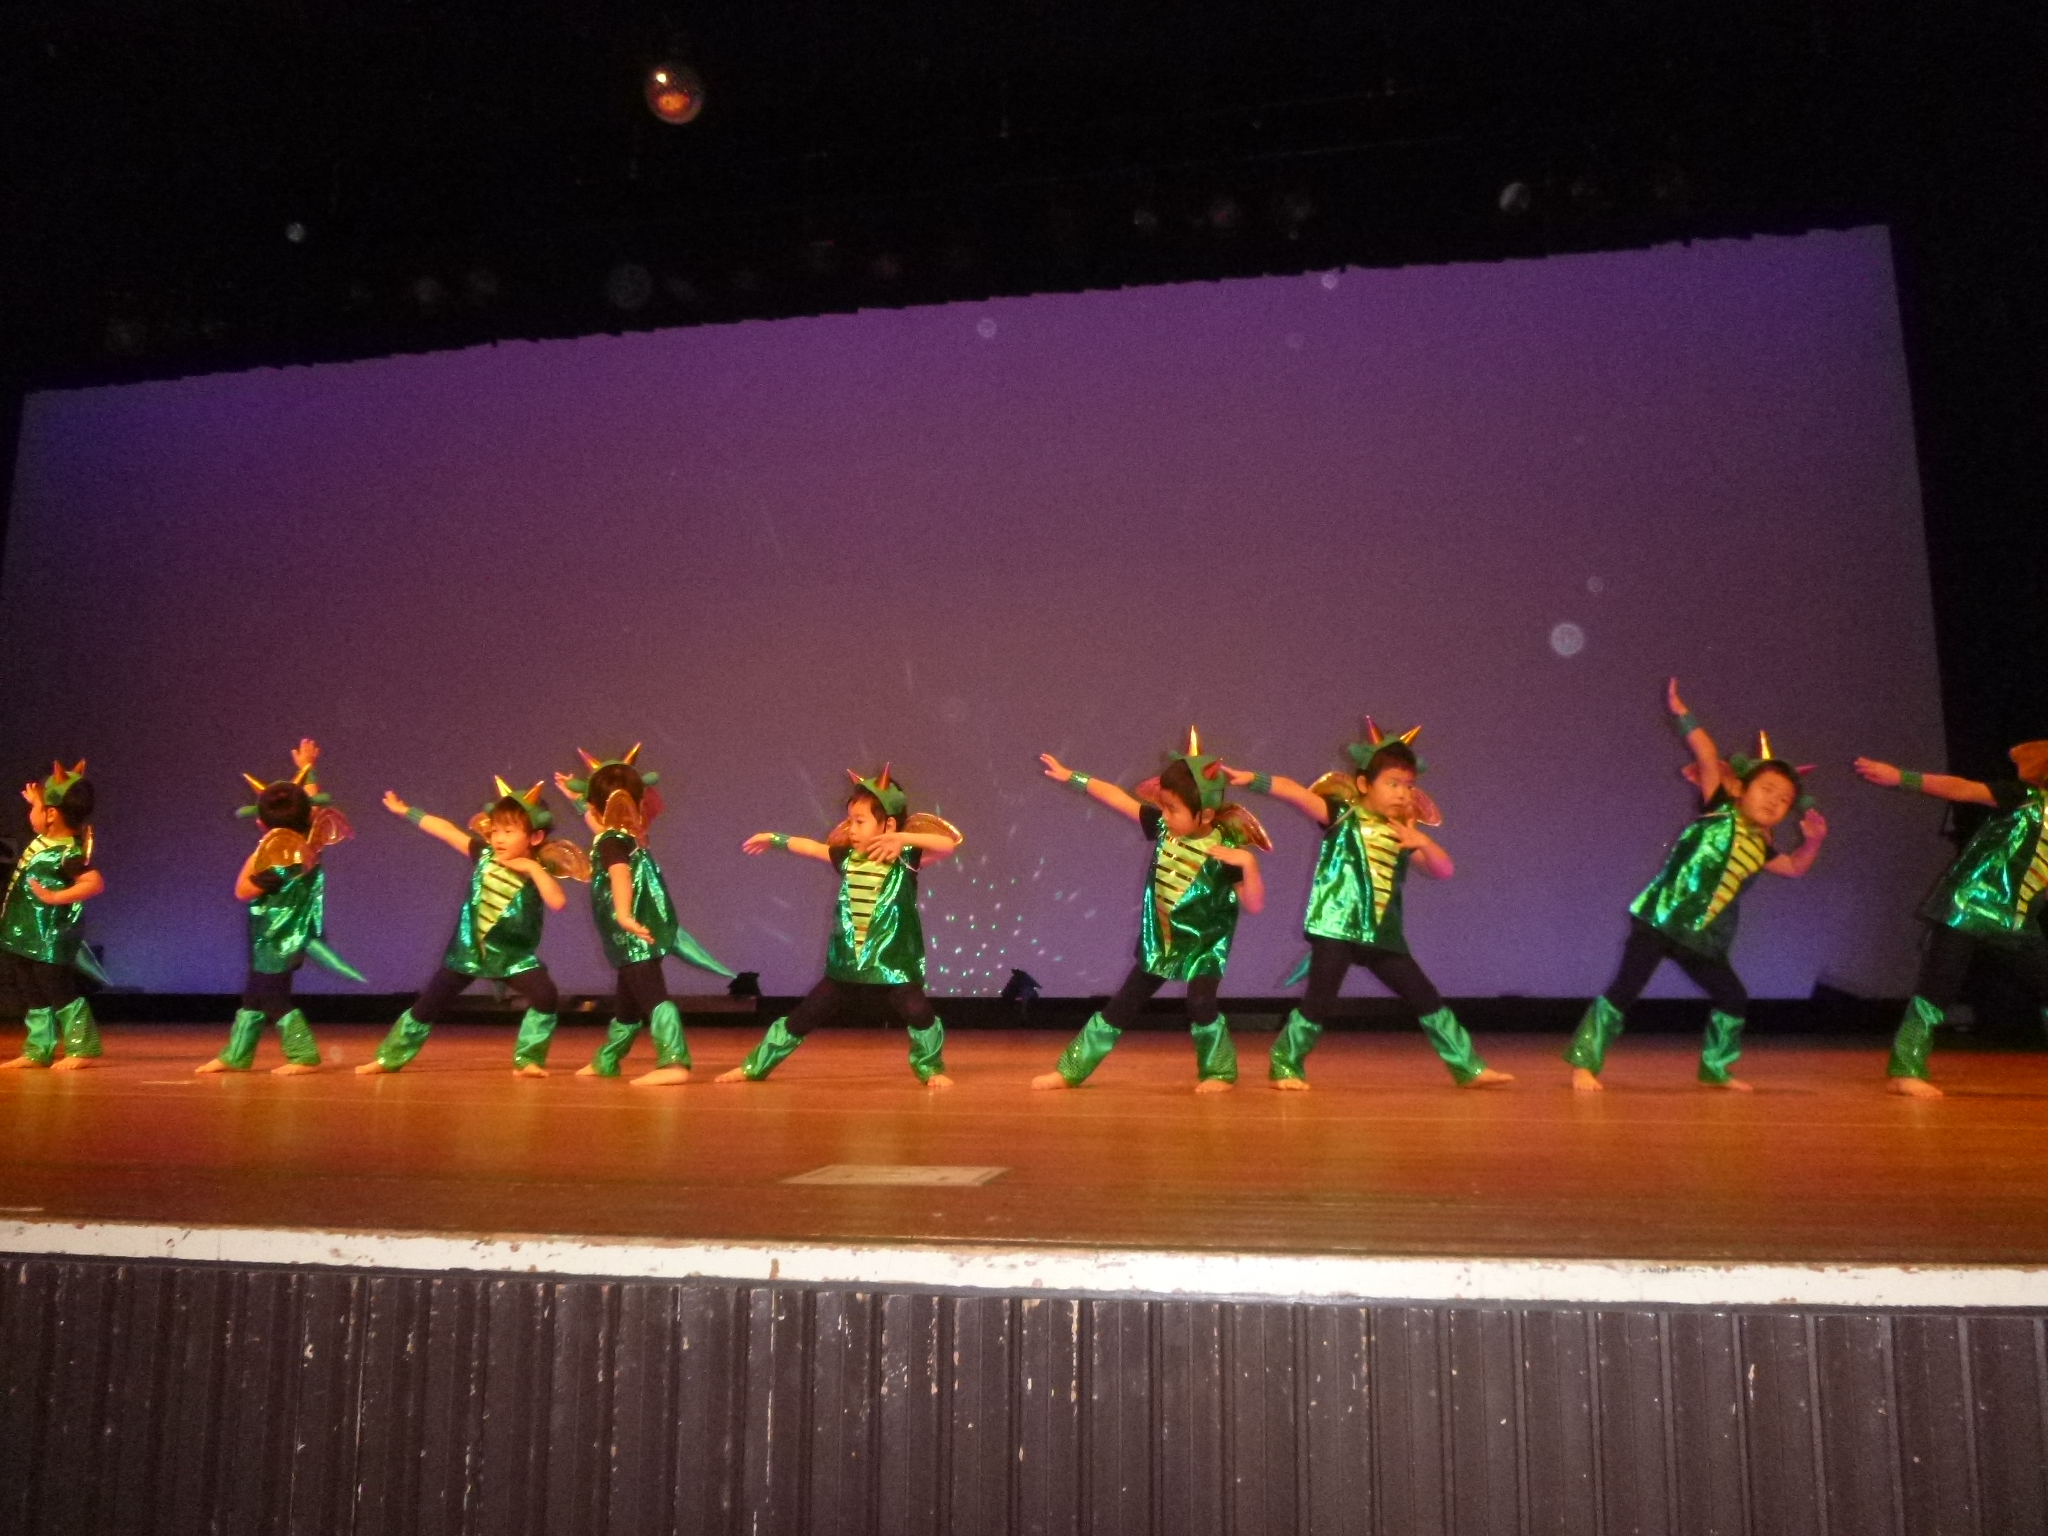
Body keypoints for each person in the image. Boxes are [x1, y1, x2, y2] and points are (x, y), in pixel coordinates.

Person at [1565, 679, 1827, 1091]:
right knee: (1626, 988)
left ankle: (1716, 1068)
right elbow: (1706, 753)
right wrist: (1681, 713)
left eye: (1783, 801)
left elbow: (1794, 867)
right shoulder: (1718, 808)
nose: (1774, 802)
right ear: (1740, 788)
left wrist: (1813, 842)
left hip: (1700, 936)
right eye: (1767, 790)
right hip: (1660, 918)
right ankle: (1585, 1063)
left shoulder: (1761, 847)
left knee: (1733, 997)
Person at [1223, 719, 1511, 1089]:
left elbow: (1443, 870)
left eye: (1408, 785)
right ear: (1364, 784)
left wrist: (1423, 843)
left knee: (1425, 997)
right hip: (1336, 928)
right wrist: (1253, 780)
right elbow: (1295, 792)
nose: (1403, 794)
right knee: (1319, 1001)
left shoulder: (1402, 832)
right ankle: (1286, 1064)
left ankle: (1468, 1067)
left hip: (1381, 934)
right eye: (1393, 783)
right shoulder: (1342, 816)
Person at [1033, 729, 1269, 1092]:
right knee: (1122, 1005)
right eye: (1164, 806)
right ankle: (1071, 1070)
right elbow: (1116, 796)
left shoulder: (1225, 851)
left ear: (1205, 814)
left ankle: (1219, 1072)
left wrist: (1248, 865)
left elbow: (1253, 904)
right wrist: (1072, 777)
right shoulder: (1161, 826)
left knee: (1201, 1004)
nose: (1165, 815)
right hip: (1161, 942)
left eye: (1173, 809)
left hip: (1204, 946)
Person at [719, 767, 960, 1087]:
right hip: (847, 964)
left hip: (892, 965)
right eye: (850, 821)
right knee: (805, 1015)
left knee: (918, 1011)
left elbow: (947, 844)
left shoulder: (905, 858)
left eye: (860, 822)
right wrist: (774, 839)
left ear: (887, 824)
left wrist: (902, 837)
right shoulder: (847, 857)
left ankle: (930, 1068)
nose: (852, 829)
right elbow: (810, 847)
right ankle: (755, 1066)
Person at [1853, 738, 2048, 1097]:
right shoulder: (2025, 798)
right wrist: (1902, 778)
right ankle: (1905, 1069)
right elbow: (1963, 789)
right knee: (1937, 987)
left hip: (2016, 920)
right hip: (1967, 905)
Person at [357, 778, 584, 1076]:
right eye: (495, 830)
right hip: (467, 952)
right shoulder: (484, 855)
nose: (498, 838)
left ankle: (527, 1059)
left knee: (546, 996)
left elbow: (557, 902)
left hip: (513, 957)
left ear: (535, 837)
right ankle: (389, 1058)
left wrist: (531, 868)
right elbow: (447, 831)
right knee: (428, 1005)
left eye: (509, 832)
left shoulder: (537, 870)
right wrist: (406, 811)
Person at [553, 745, 732, 1085]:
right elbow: (596, 821)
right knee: (627, 1005)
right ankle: (608, 1059)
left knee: (652, 997)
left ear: (597, 806)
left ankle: (674, 1062)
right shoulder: (625, 836)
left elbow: (620, 875)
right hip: (634, 933)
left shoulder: (612, 842)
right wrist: (574, 797)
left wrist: (623, 915)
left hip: (633, 932)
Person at [199, 738, 364, 1074]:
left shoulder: (279, 859)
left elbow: (242, 890)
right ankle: (236, 1054)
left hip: (279, 937)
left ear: (261, 823)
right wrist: (307, 768)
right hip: (272, 935)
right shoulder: (311, 840)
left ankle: (302, 1055)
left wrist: (259, 850)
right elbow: (311, 805)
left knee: (272, 997)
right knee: (253, 996)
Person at [0, 760, 106, 1071]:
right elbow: (40, 821)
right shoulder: (46, 841)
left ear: (51, 815)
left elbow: (94, 882)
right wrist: (38, 800)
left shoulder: (67, 853)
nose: (31, 814)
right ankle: (38, 1049)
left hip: (47, 938)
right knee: (32, 994)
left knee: (58, 991)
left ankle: (82, 1047)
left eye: (37, 809)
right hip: (23, 934)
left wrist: (55, 897)